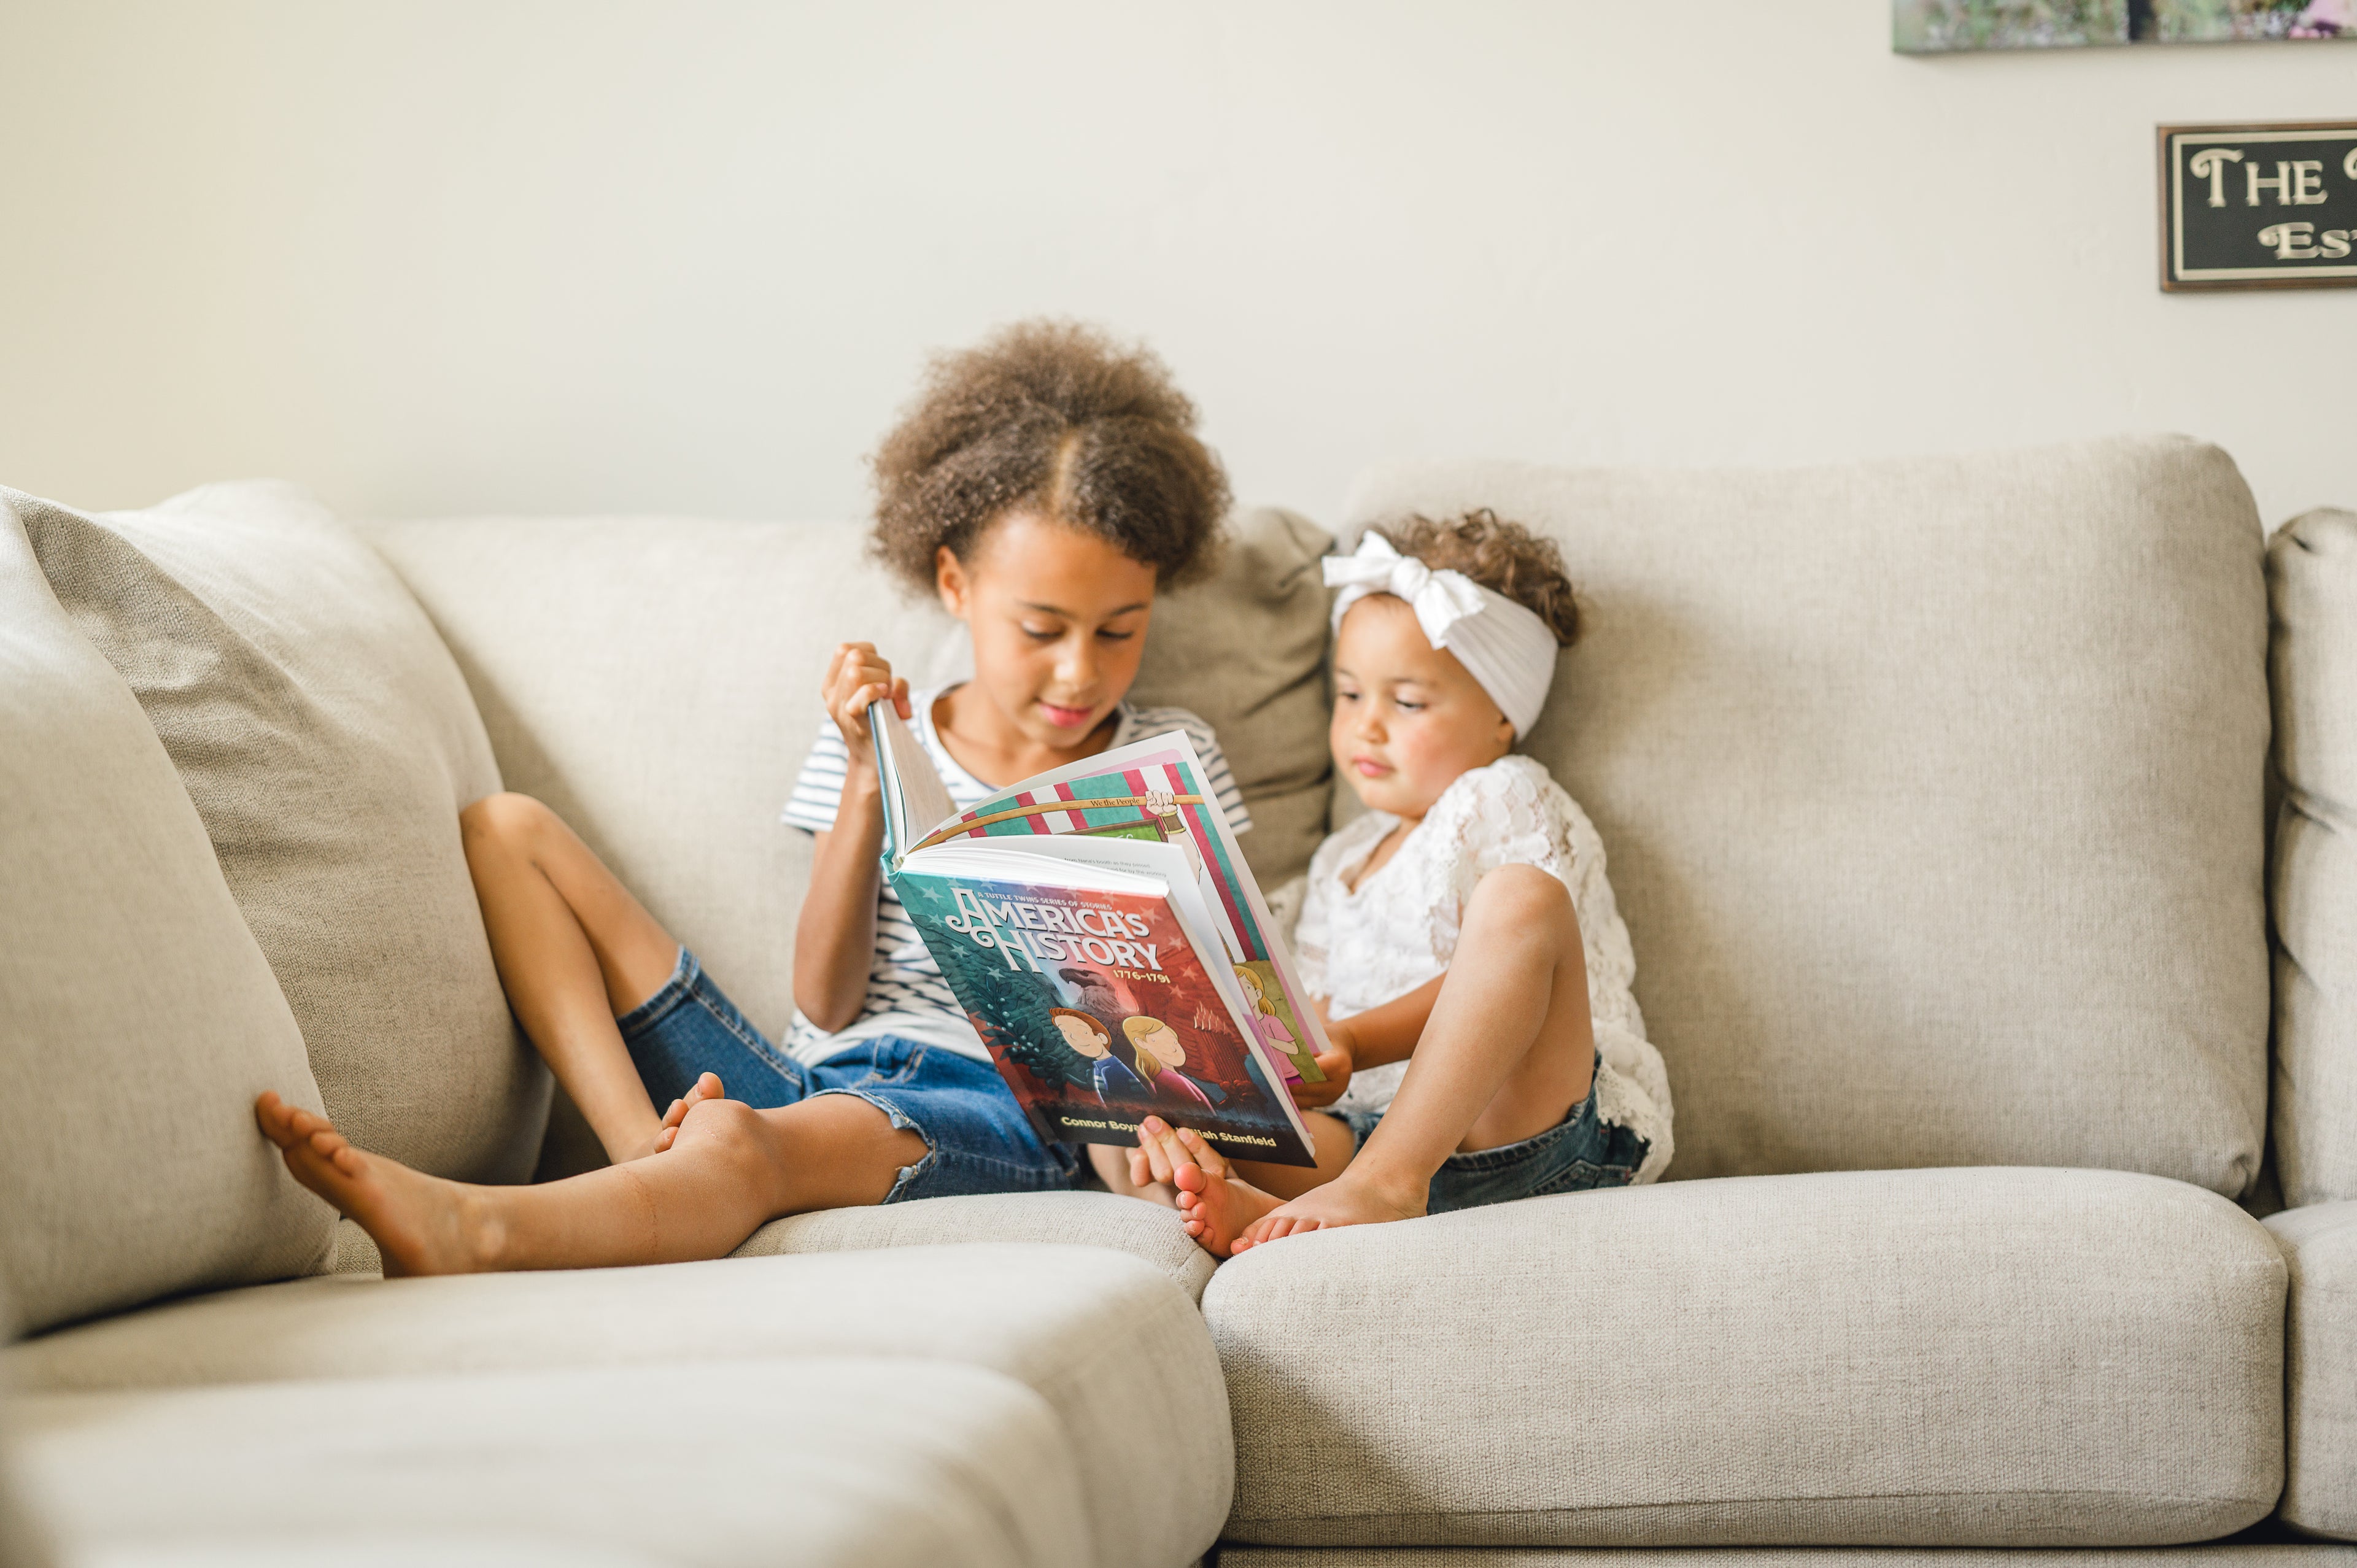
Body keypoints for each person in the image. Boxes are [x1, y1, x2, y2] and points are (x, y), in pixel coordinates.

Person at [253, 320, 1280, 1275]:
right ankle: (639, 1158)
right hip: (803, 1074)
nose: (1077, 674)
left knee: (750, 1146)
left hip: (979, 1103)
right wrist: (870, 784)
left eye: (1118, 630)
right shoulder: (888, 734)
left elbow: (1211, 1004)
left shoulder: (1165, 758)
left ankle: (483, 1228)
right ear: (958, 588)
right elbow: (824, 1002)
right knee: (506, 831)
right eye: (1041, 629)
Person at [1136, 511, 1674, 1257]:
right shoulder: (1340, 859)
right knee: (1188, 1099)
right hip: (1368, 1138)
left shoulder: (1502, 794)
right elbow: (1317, 1017)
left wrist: (1356, 1037)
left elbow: (1527, 964)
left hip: (1530, 1129)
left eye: (1408, 702)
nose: (1368, 726)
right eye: (1350, 695)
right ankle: (1248, 1184)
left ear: (1501, 720)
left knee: (1523, 897)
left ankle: (1389, 1180)